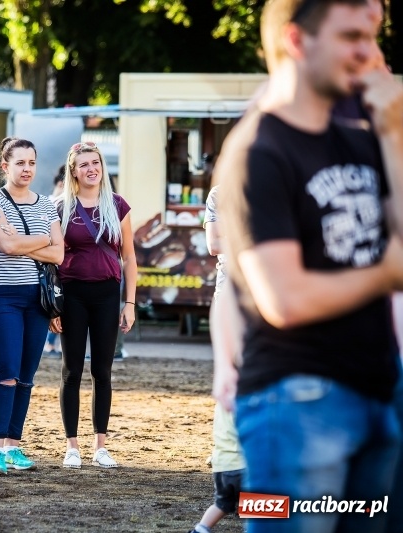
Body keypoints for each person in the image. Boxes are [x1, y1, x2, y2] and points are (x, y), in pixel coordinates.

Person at [214, 1, 403, 531]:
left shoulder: (361, 137)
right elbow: (285, 299)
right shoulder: (256, 150)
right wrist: (386, 273)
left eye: (372, 36)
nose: (370, 54)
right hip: (295, 403)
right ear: (297, 41)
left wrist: (393, 133)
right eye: (351, 37)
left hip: (378, 392)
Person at [0, 137, 63, 475]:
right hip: (1, 295)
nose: (27, 169)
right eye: (20, 163)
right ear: (5, 166)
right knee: (7, 372)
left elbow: (59, 254)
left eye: (31, 163)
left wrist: (24, 241)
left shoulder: (46, 205)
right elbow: (6, 246)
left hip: (36, 297)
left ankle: (13, 446)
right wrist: (43, 240)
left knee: (26, 376)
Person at [48, 142, 137, 469]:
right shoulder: (60, 207)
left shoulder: (117, 205)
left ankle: (101, 446)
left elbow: (129, 258)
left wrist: (129, 303)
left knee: (102, 370)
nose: (91, 169)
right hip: (71, 293)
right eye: (84, 164)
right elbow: (50, 259)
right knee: (71, 370)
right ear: (73, 171)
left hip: (107, 294)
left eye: (95, 163)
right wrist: (53, 307)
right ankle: (71, 446)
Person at [186, 185, 245, 533]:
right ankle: (228, 453)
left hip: (271, 293)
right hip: (232, 293)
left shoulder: (282, 177)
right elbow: (214, 244)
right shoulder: (221, 193)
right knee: (230, 376)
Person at [43, 166, 65, 358]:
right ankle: (49, 344)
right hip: (50, 266)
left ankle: (52, 343)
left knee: (57, 304)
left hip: (59, 263)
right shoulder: (50, 205)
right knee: (52, 303)